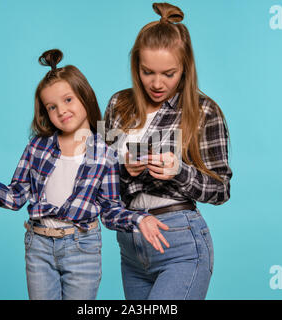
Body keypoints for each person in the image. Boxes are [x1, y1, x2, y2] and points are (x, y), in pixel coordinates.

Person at [0, 49, 164, 300]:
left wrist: (138, 220)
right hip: (39, 247)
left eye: (68, 100)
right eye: (52, 106)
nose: (61, 111)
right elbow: (14, 197)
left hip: (82, 247)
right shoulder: (37, 147)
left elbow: (110, 210)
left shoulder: (105, 152)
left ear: (84, 97)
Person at [103, 3, 233, 300]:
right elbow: (95, 173)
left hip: (180, 243)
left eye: (168, 73)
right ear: (136, 65)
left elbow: (222, 190)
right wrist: (122, 168)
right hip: (131, 246)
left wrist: (179, 171)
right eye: (147, 72)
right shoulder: (116, 105)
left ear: (185, 68)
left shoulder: (204, 111)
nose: (157, 83)